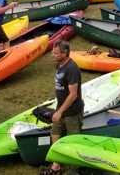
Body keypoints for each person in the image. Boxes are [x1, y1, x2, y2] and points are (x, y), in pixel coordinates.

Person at [40, 39, 84, 175]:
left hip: (71, 111)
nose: (52, 55)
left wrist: (59, 111)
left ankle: (80, 167)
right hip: (61, 109)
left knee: (74, 140)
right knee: (54, 135)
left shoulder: (72, 69)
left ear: (65, 53)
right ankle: (56, 167)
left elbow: (73, 94)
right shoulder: (59, 65)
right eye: (52, 52)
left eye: (56, 53)